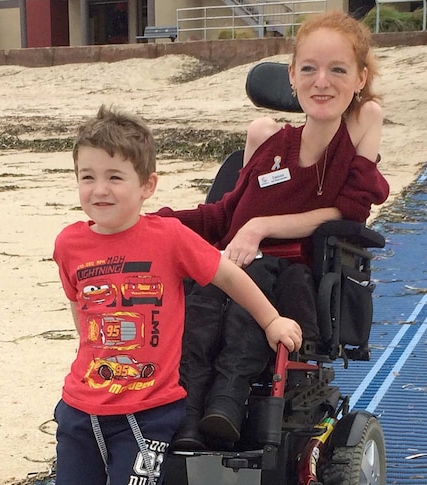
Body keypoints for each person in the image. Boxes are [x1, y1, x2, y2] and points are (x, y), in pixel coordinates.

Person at [156, 11, 390, 450]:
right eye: (309, 69)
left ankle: (225, 402)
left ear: (359, 78)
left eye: (338, 70)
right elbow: (223, 216)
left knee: (254, 279)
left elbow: (351, 214)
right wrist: (153, 221)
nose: (322, 81)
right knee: (203, 288)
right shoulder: (268, 141)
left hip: (289, 275)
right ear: (291, 77)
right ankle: (188, 416)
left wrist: (261, 227)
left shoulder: (352, 138)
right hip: (231, 265)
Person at [51, 105, 303, 485]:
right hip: (79, 409)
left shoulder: (168, 237)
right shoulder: (69, 243)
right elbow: (79, 303)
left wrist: (271, 320)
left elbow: (228, 275)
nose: (99, 189)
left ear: (147, 186)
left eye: (115, 177)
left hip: (147, 411)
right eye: (87, 176)